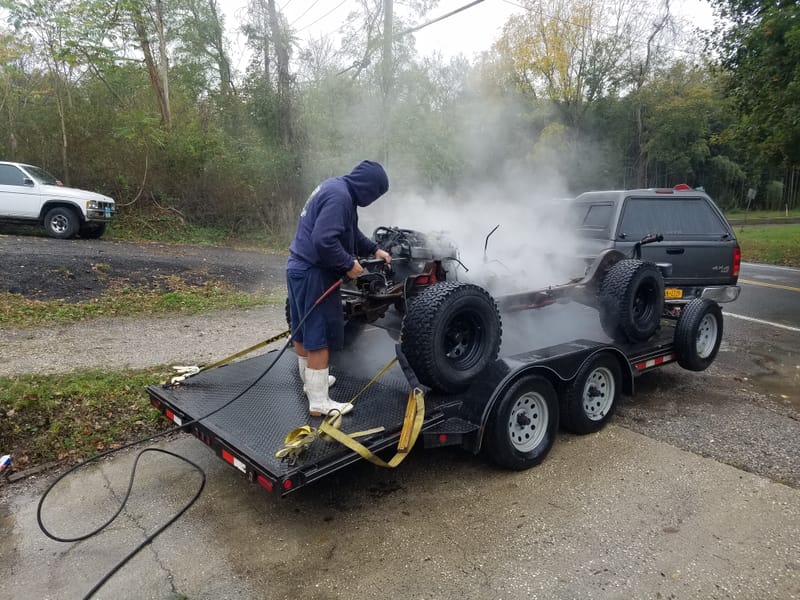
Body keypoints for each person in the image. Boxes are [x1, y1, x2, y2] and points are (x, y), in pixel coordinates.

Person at [286, 160, 391, 417]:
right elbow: (323, 240)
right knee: (319, 337)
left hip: (298, 267)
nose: (373, 200)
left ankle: (312, 385)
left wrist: (373, 249)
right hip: (314, 273)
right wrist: (348, 264)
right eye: (375, 195)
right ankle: (320, 402)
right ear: (368, 188)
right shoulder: (340, 198)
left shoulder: (336, 188)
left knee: (302, 330)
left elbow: (349, 231)